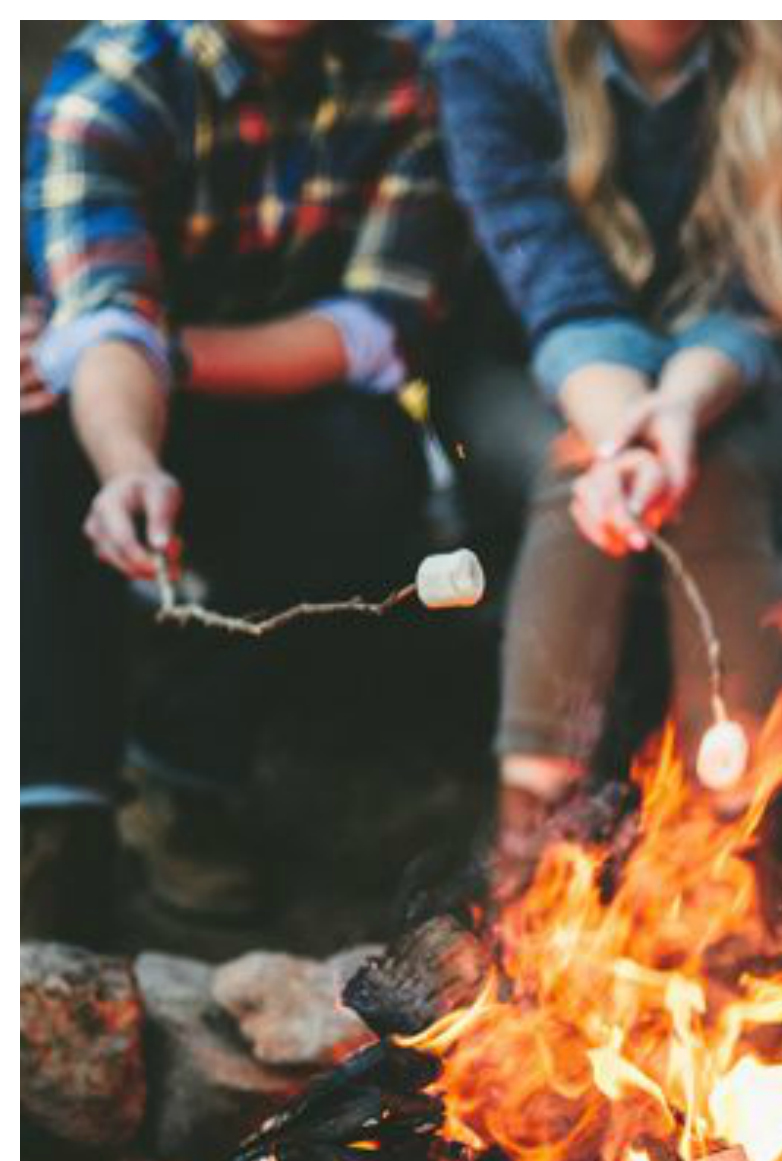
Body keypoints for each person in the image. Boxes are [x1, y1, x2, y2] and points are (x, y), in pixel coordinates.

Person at [22, 21, 458, 936]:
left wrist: (165, 354)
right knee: (30, 429)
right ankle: (52, 809)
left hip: (271, 397)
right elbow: (103, 318)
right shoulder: (115, 83)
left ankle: (185, 781)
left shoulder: (403, 76)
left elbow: (378, 325)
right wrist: (131, 465)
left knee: (369, 455)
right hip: (103, 400)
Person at [429, 20, 782, 866]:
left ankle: (729, 835)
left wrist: (677, 410)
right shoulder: (492, 52)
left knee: (715, 473)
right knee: (580, 473)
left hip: (731, 375)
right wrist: (625, 438)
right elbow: (557, 292)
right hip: (524, 363)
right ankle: (533, 832)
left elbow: (759, 297)